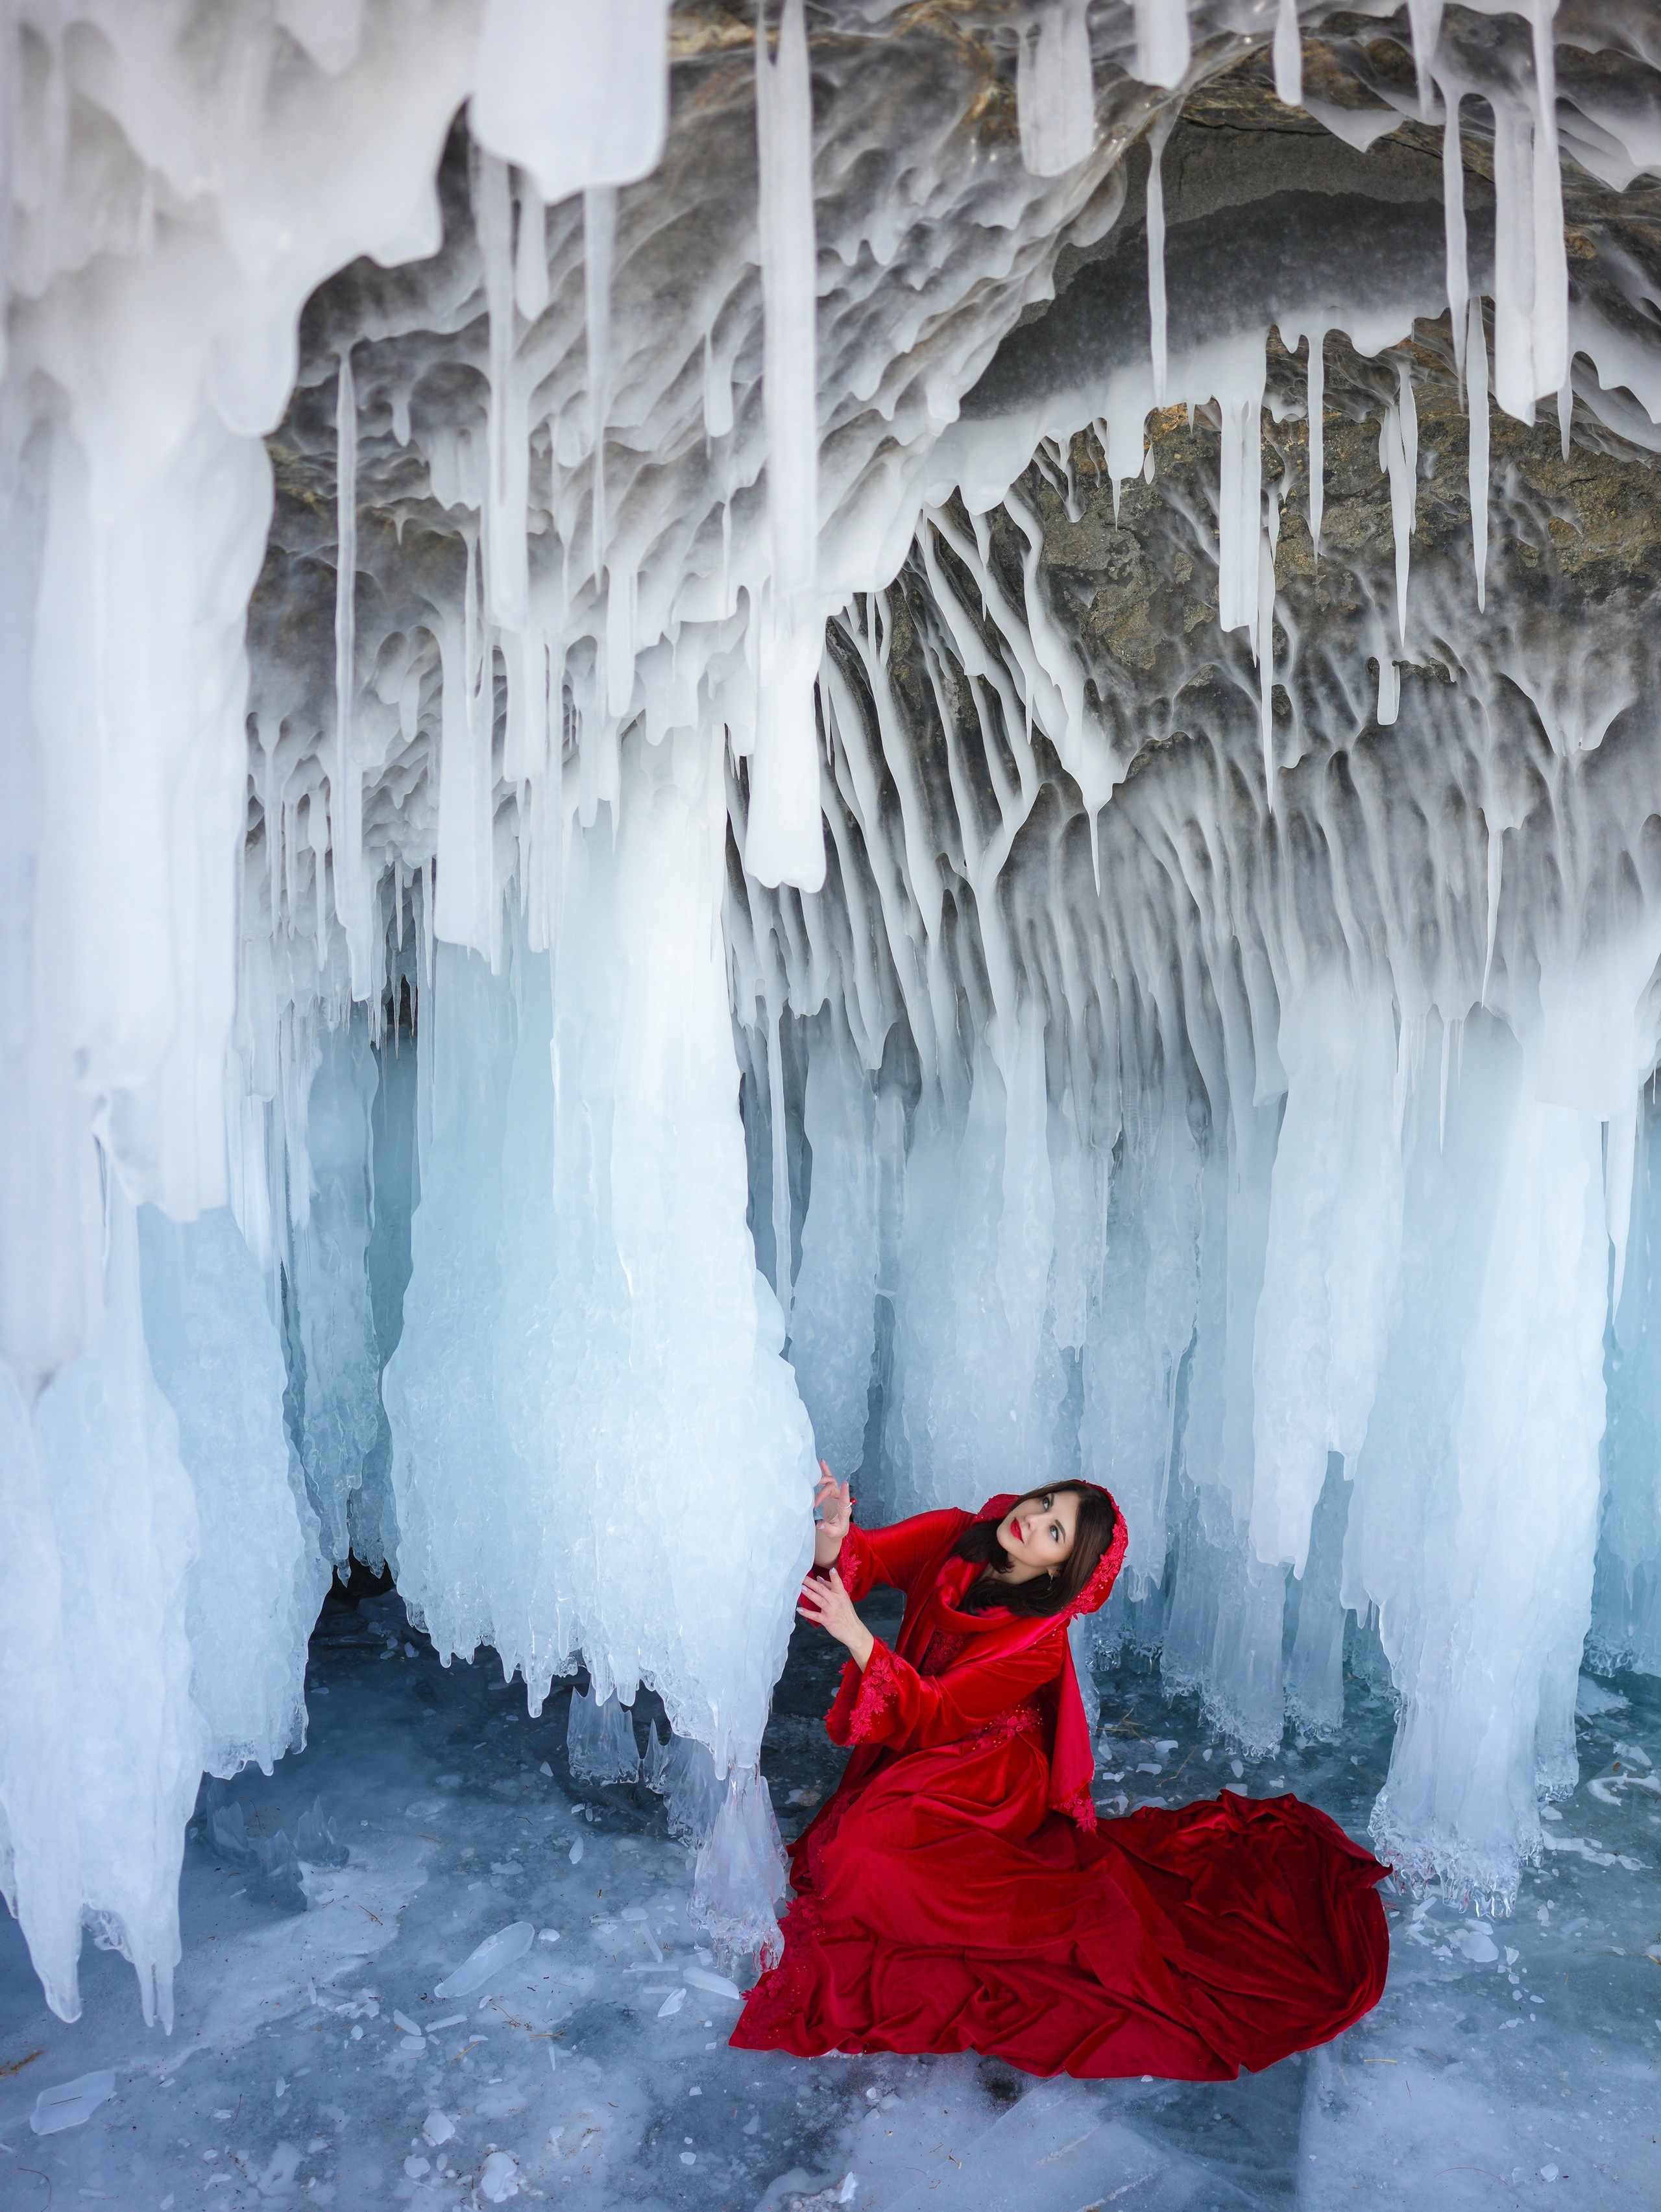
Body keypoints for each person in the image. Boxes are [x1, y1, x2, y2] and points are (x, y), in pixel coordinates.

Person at [731, 1467, 1389, 2080]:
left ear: (1062, 1566)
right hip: (924, 1743)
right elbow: (869, 1560)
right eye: (1046, 1504)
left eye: (1056, 1531)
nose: (1035, 1519)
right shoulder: (961, 1533)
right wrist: (836, 1535)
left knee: (860, 1853)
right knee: (855, 1850)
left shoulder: (1036, 1641)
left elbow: (938, 1711)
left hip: (985, 1770)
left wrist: (858, 1636)